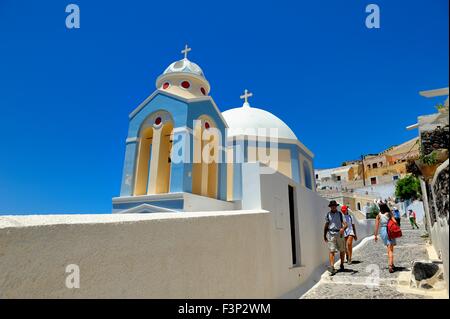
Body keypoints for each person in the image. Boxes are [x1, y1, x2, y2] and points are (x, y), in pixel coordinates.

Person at [324, 200, 348, 275]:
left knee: (342, 250)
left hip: (339, 234)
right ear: (330, 207)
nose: (333, 207)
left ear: (336, 206)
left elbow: (345, 224)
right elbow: (326, 225)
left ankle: (341, 264)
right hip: (331, 234)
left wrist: (343, 229)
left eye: (334, 205)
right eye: (332, 206)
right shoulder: (328, 215)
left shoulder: (340, 214)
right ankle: (332, 266)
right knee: (332, 250)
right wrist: (324, 235)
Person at [374, 203, 398, 273]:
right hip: (389, 230)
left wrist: (375, 235)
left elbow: (376, 226)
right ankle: (390, 265)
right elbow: (395, 222)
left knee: (388, 247)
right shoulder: (389, 213)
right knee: (391, 249)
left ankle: (392, 263)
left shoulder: (378, 215)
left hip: (383, 231)